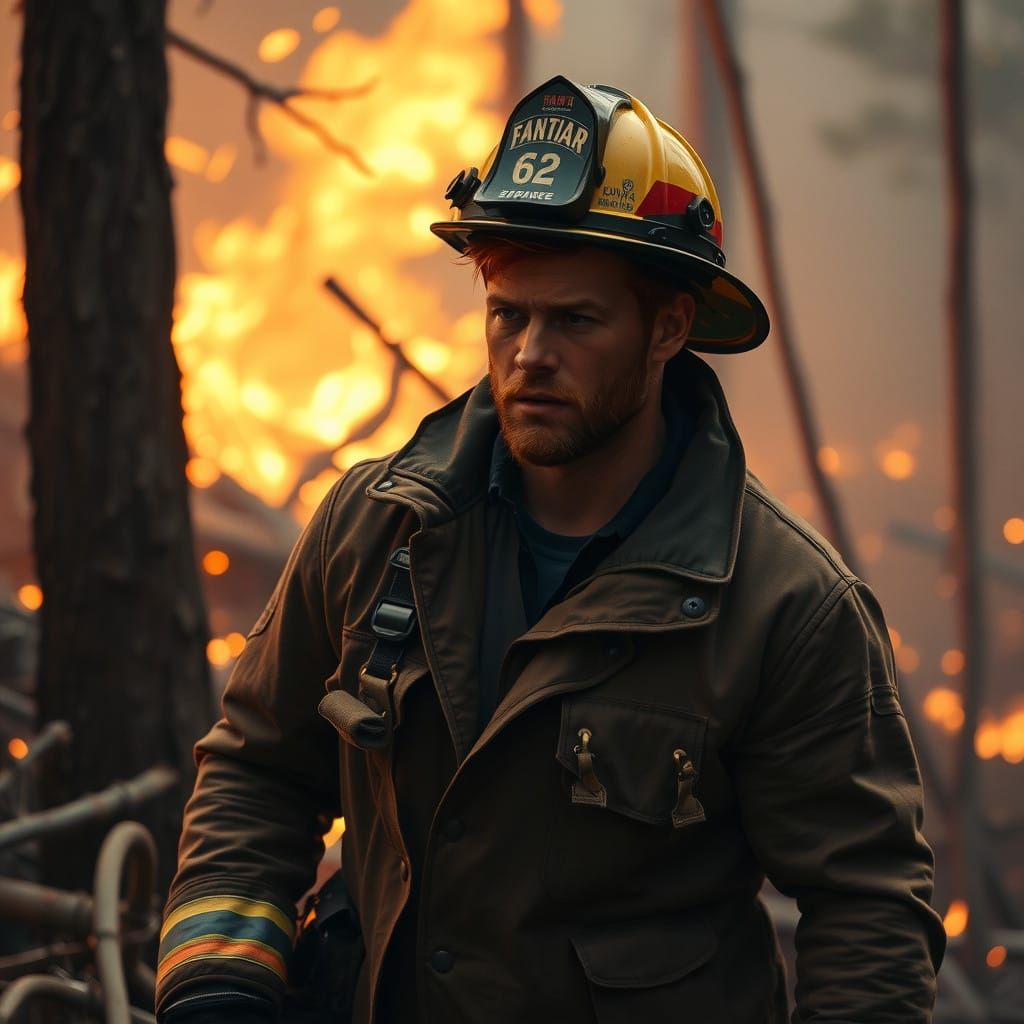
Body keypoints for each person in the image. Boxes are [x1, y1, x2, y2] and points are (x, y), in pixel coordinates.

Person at [155, 76, 945, 1024]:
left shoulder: (785, 606)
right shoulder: (377, 528)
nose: (530, 352)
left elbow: (867, 913)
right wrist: (219, 986)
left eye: (574, 320)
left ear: (668, 328)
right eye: (508, 314)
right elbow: (257, 769)